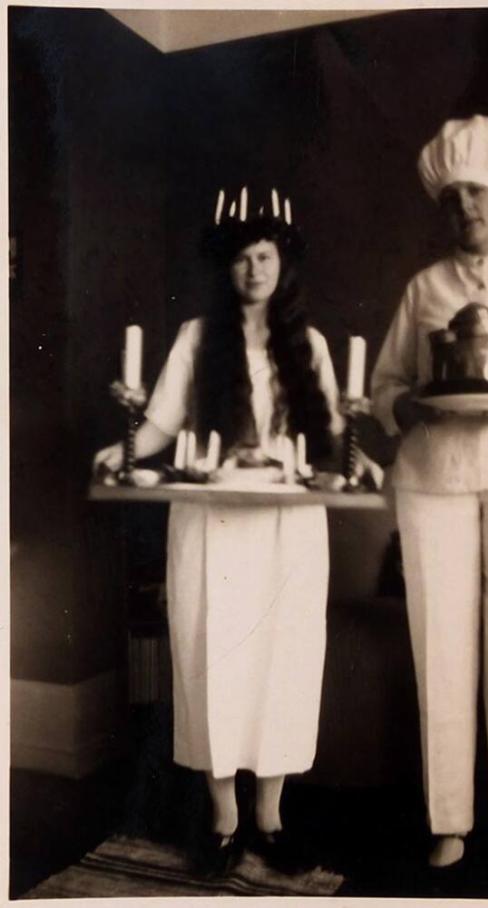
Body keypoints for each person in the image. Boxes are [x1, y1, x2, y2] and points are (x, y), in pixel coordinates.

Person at [94, 194, 344, 877]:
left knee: (280, 662)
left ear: (282, 265)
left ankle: (271, 819)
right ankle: (224, 817)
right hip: (214, 528)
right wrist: (126, 451)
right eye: (241, 257)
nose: (254, 268)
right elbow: (160, 426)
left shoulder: (310, 346)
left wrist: (360, 457)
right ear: (225, 268)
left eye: (265, 256)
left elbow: (332, 440)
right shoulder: (198, 339)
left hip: (287, 531)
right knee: (216, 659)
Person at [371, 116, 488, 872]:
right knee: (441, 641)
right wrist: (409, 406)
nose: (468, 204)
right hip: (432, 478)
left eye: (480, 191)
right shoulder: (424, 288)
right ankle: (449, 818)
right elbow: (386, 386)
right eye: (455, 194)